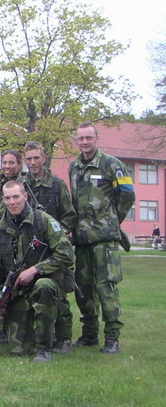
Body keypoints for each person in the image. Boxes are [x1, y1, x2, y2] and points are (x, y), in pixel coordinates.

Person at [0, 181, 75, 362]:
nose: (12, 202)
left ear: (25, 196)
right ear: (3, 201)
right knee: (18, 350)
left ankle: (45, 347)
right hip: (18, 291)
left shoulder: (43, 221)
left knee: (44, 286)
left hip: (47, 284)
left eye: (16, 197)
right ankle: (30, 333)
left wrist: (35, 270)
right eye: (7, 198)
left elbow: (66, 255)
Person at [68, 122, 135, 354]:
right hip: (82, 240)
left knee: (106, 289)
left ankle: (112, 338)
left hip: (105, 241)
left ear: (97, 138)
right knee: (83, 291)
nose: (84, 142)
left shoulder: (112, 164)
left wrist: (113, 220)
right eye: (80, 138)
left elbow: (127, 195)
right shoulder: (73, 167)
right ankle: (89, 335)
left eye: (89, 138)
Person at [22, 141, 78, 353]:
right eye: (29, 159)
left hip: (53, 248)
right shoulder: (22, 185)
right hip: (30, 248)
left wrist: (59, 232)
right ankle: (37, 332)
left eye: (36, 158)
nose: (33, 162)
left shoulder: (57, 184)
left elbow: (69, 216)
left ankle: (64, 338)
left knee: (59, 293)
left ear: (44, 158)